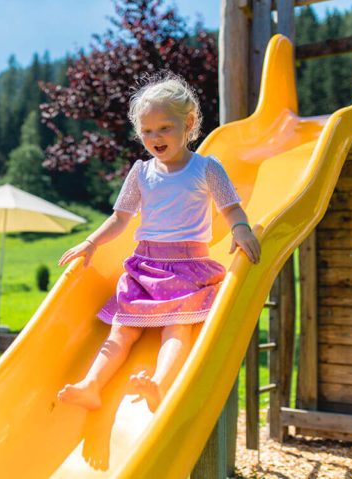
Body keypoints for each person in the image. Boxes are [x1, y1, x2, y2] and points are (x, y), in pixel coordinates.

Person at [57, 73, 261, 412]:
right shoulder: (140, 172)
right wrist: (92, 242)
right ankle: (91, 385)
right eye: (147, 131)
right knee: (121, 329)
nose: (155, 137)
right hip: (145, 266)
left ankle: (159, 383)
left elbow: (231, 206)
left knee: (176, 328)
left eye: (164, 128)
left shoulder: (207, 168)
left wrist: (241, 229)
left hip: (188, 268)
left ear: (189, 123)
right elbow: (121, 218)